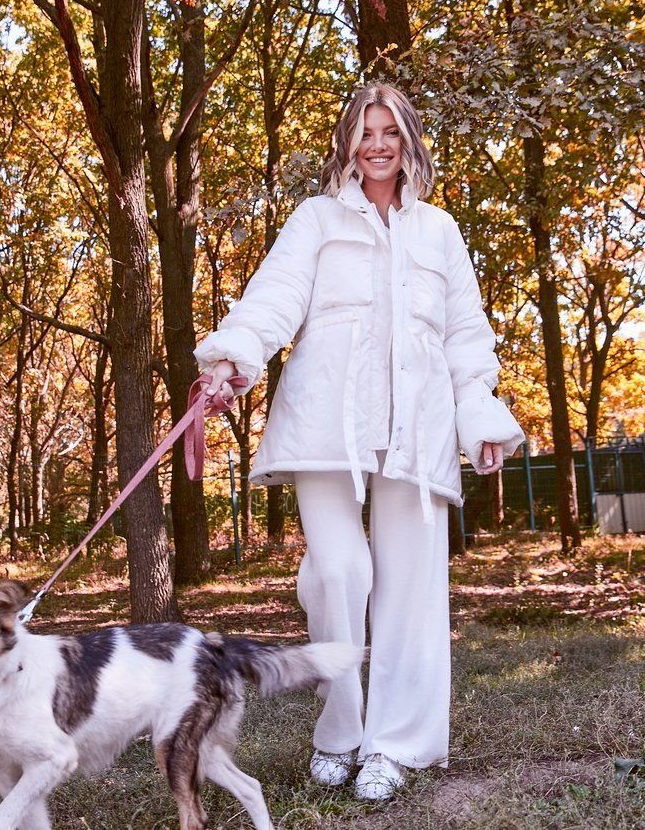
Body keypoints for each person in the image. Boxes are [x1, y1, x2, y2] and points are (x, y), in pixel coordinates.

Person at [195, 83, 524, 801]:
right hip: (325, 422)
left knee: (411, 590)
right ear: (348, 141)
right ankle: (340, 729)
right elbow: (274, 295)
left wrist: (480, 416)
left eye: (390, 132)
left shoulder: (440, 231)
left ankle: (395, 744)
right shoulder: (316, 220)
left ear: (408, 142)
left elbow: (465, 335)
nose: (377, 145)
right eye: (365, 132)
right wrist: (235, 356)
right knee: (339, 570)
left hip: (419, 423)